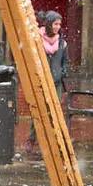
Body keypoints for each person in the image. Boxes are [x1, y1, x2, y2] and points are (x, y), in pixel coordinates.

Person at [28, 10, 69, 149]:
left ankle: (54, 140)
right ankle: (32, 138)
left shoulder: (62, 43)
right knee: (39, 110)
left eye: (59, 24)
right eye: (55, 24)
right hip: (41, 82)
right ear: (49, 24)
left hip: (56, 83)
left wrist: (62, 73)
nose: (57, 27)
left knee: (54, 112)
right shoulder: (38, 40)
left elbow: (66, 62)